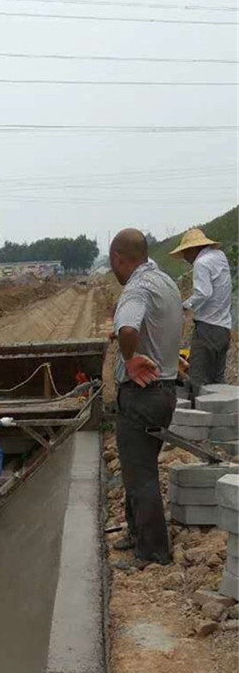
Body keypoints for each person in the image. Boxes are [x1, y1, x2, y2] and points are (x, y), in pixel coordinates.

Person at [110, 228, 182, 567]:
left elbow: (127, 329)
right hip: (165, 390)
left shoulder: (136, 288)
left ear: (118, 259)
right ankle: (136, 532)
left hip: (142, 394)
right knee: (137, 469)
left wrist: (128, 358)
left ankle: (152, 552)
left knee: (141, 476)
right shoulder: (165, 282)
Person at [169, 228, 232, 401]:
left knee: (198, 380)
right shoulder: (219, 257)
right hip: (223, 328)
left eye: (185, 254)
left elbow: (204, 293)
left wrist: (183, 306)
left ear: (192, 249)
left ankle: (198, 423)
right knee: (218, 380)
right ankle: (224, 419)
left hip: (207, 328)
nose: (186, 259)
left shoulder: (201, 263)